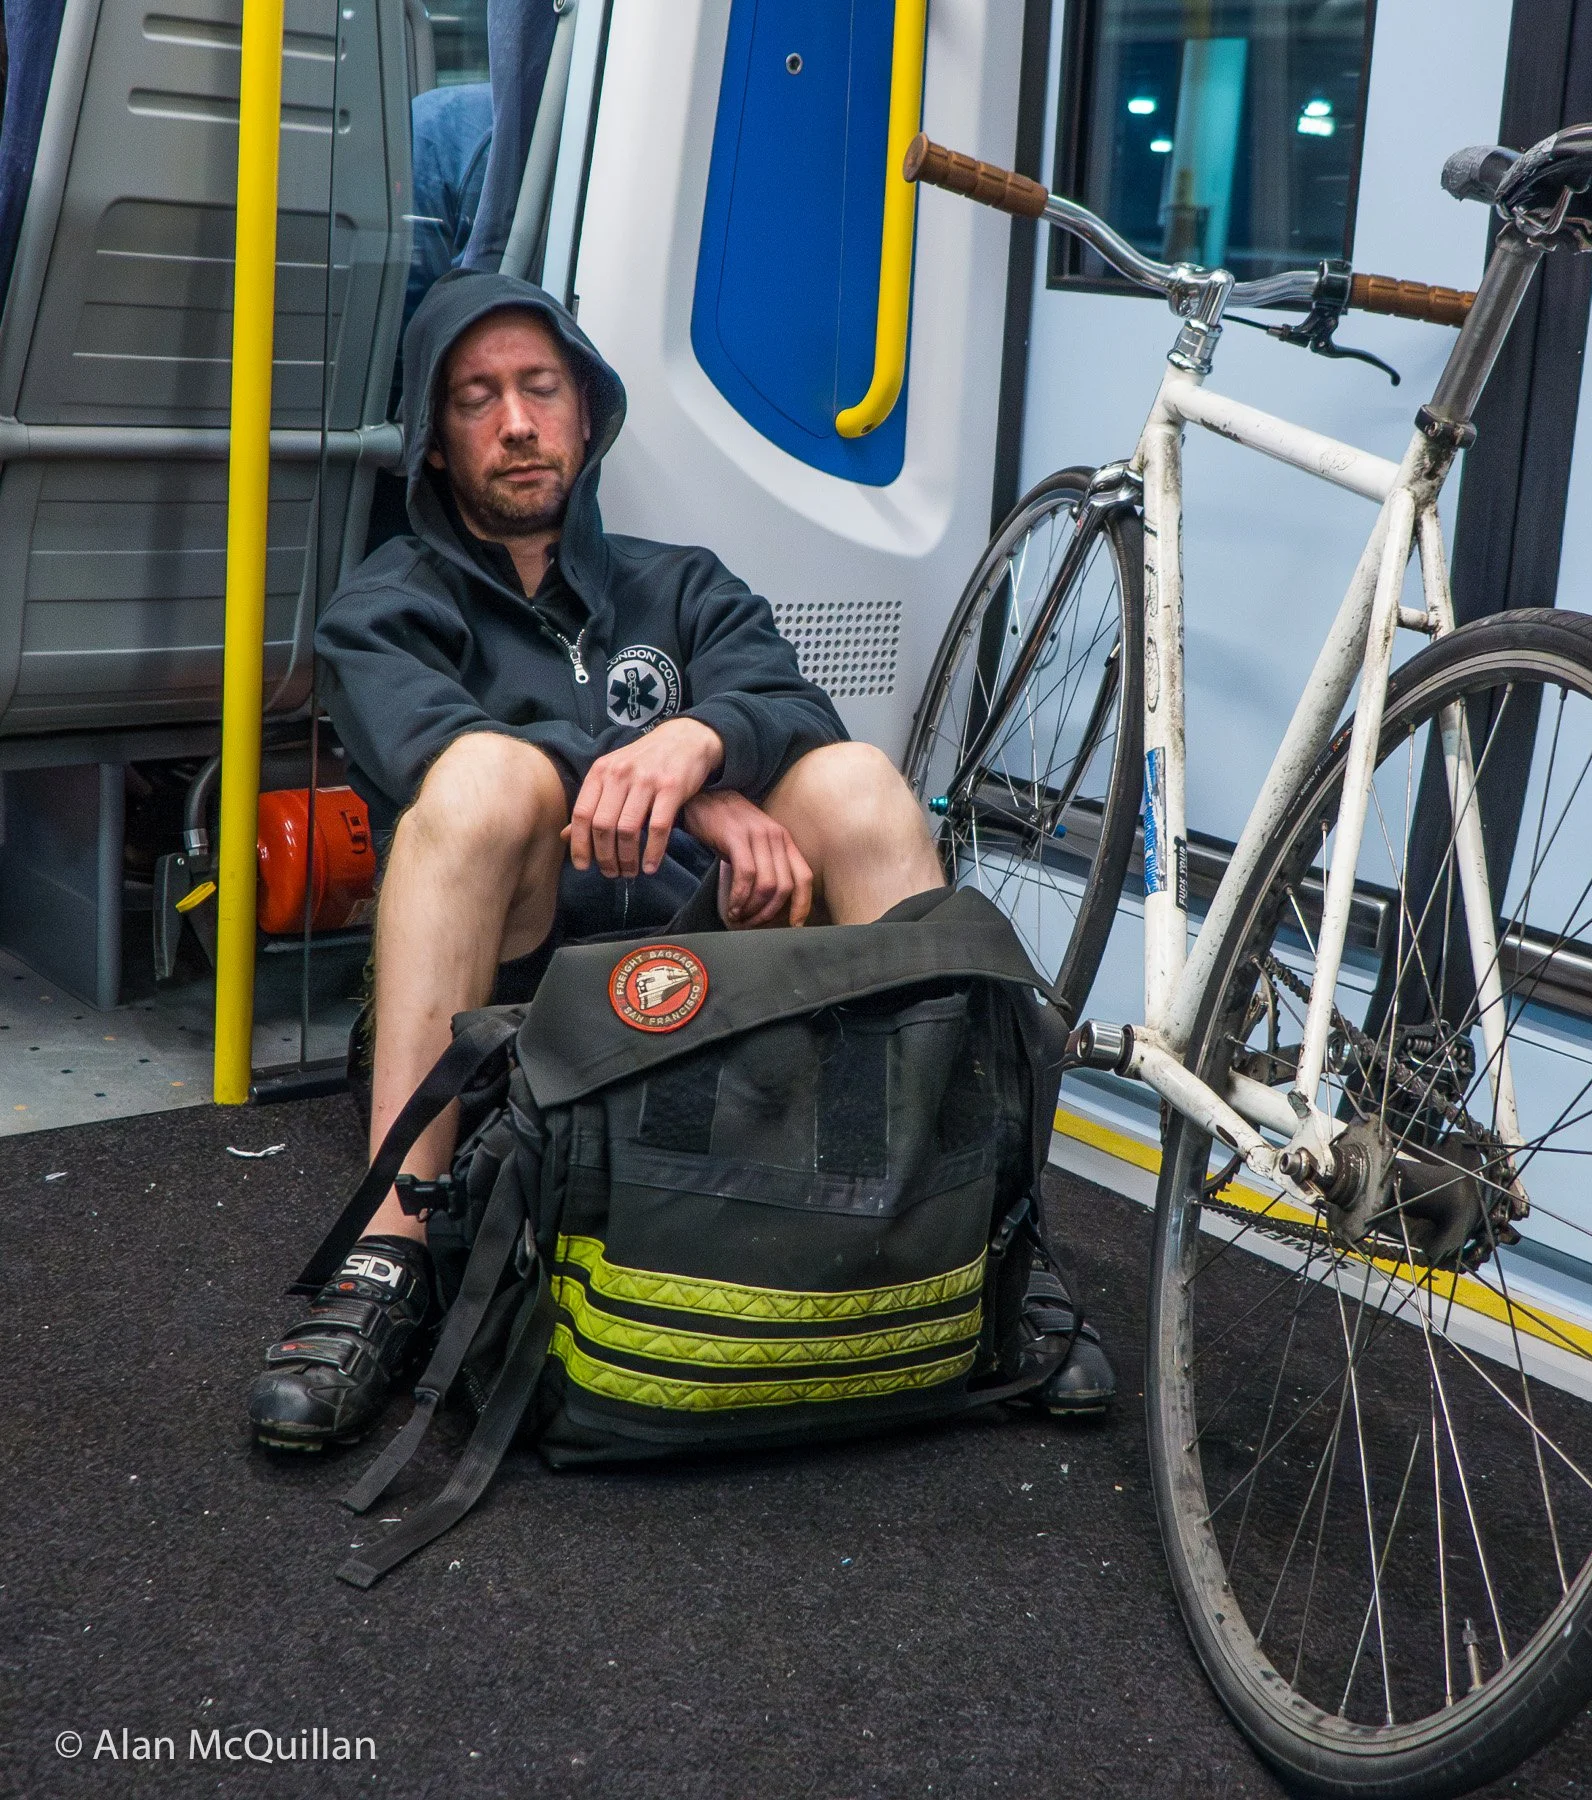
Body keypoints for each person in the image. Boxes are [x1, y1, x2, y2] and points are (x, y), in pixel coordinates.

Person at [247, 270, 1114, 1449]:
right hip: (516, 998)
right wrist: (685, 786)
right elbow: (428, 743)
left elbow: (787, 701)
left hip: (712, 977)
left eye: (540, 389)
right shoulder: (382, 607)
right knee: (487, 776)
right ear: (436, 448)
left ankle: (981, 1236)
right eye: (476, 399)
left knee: (855, 783)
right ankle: (387, 1256)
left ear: (587, 414)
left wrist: (702, 741)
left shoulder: (681, 583)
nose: (515, 422)